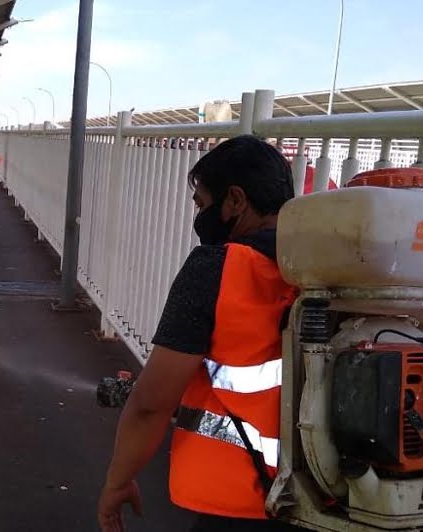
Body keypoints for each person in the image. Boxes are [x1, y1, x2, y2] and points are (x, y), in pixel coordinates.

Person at [97, 135, 307, 532]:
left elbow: (151, 403)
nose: (199, 217)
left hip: (246, 499)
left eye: (202, 204)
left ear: (236, 201)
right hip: (333, 494)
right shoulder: (330, 268)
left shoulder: (218, 268)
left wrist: (117, 482)